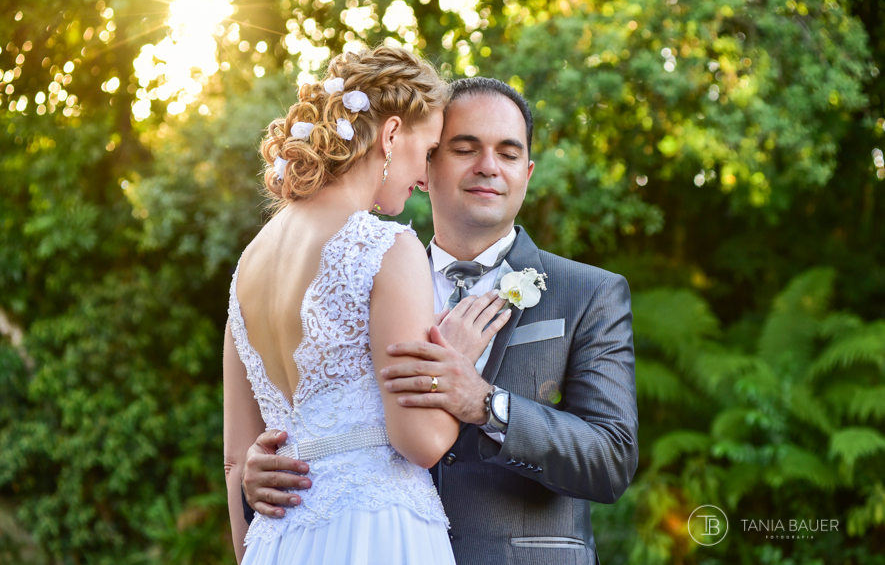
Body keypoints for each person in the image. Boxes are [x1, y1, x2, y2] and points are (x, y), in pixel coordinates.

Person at [242, 76, 639, 565]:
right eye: (465, 149)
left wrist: (486, 405)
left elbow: (612, 459)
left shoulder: (591, 293)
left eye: (508, 153)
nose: (488, 166)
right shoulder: (367, 272)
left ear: (528, 172)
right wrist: (262, 475)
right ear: (426, 164)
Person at [223, 47, 511, 565]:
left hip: (278, 542)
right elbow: (421, 443)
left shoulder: (248, 264)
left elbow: (235, 461)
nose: (426, 174)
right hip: (376, 533)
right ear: (392, 134)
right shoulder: (383, 248)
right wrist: (455, 359)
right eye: (428, 150)